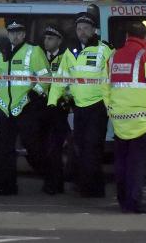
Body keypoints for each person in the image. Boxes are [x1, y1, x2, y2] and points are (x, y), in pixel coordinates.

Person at [48, 12, 114, 198]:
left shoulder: (104, 49)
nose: (82, 32)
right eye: (79, 28)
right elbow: (60, 78)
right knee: (81, 147)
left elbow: (110, 80)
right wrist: (53, 101)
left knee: (92, 147)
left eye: (86, 28)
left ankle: (92, 189)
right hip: (79, 108)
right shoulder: (70, 51)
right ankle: (87, 185)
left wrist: (109, 107)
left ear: (94, 30)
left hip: (98, 107)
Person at [108, 21, 146, 213]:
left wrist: (112, 110)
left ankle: (122, 200)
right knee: (137, 165)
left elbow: (105, 87)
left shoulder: (113, 57)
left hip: (119, 121)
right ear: (145, 37)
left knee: (122, 164)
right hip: (143, 123)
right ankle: (133, 203)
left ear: (126, 36)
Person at [0, 19, 51, 196]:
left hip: (26, 108)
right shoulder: (1, 53)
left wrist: (34, 95)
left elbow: (46, 78)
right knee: (4, 151)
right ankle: (6, 186)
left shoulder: (33, 51)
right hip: (5, 109)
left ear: (24, 34)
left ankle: (51, 179)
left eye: (19, 32)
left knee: (34, 149)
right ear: (8, 34)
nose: (15, 36)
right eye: (12, 32)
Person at [42, 24, 72, 195]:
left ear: (59, 40)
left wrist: (66, 100)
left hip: (59, 109)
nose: (46, 42)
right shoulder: (40, 56)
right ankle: (49, 181)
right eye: (45, 38)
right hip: (40, 108)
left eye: (51, 38)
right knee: (43, 147)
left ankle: (55, 184)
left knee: (55, 148)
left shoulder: (64, 58)